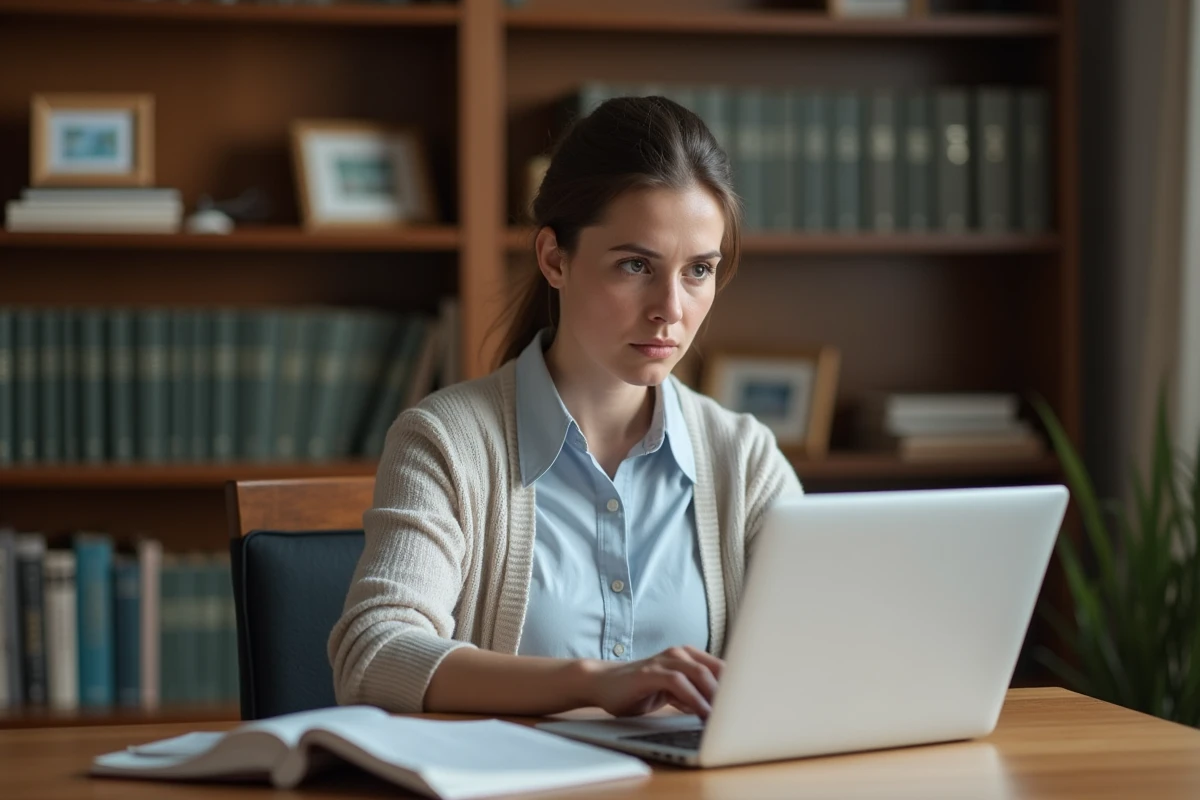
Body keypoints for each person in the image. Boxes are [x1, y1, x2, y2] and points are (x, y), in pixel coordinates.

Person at [328, 95, 803, 721]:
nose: (671, 308)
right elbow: (373, 653)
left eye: (698, 271)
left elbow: (819, 651)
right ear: (555, 258)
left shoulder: (743, 458)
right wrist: (593, 682)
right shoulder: (445, 442)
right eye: (636, 265)